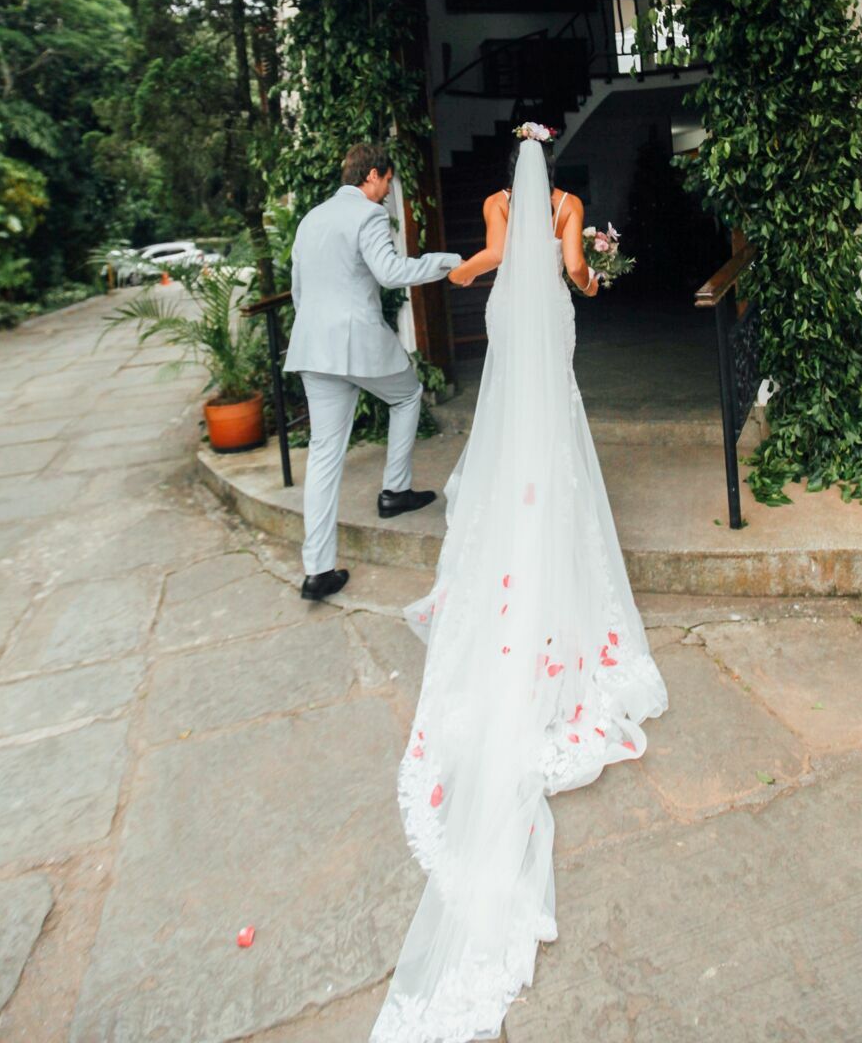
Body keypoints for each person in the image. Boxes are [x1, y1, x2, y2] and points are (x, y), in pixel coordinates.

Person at [371, 124, 668, 1042]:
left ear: (511, 172)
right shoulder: (572, 211)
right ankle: (553, 545)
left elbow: (485, 267)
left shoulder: (498, 209)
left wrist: (455, 272)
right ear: (558, 175)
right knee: (553, 425)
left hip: (509, 323)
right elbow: (574, 280)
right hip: (548, 323)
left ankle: (513, 530)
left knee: (508, 424)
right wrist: (594, 267)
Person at [284, 141, 463, 601]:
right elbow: (388, 271)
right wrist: (447, 264)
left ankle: (318, 571)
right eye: (387, 180)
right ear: (372, 176)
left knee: (324, 455)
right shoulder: (367, 214)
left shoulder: (310, 219)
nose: (388, 190)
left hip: (313, 347)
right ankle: (394, 491)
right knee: (406, 395)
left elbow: (299, 292)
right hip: (356, 342)